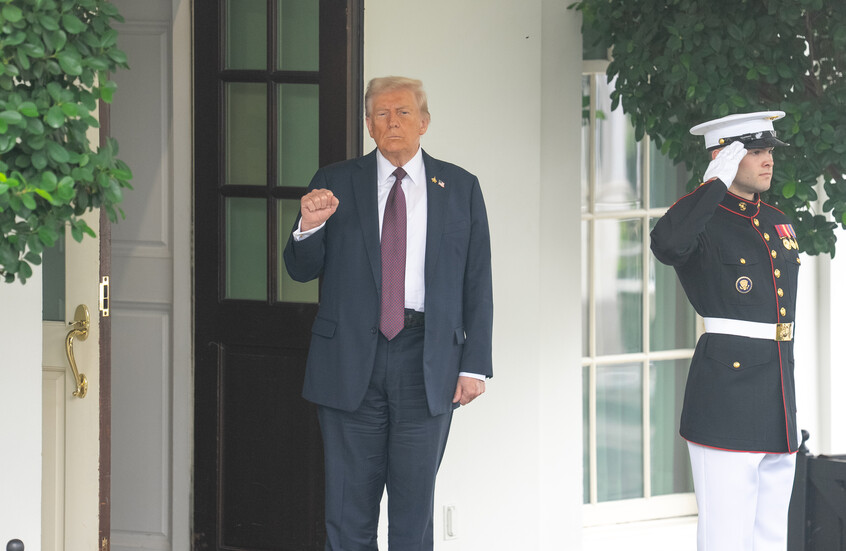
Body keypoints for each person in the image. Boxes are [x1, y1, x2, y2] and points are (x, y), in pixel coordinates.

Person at [283, 76, 493, 551]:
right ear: (369, 125)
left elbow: (477, 280)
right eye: (382, 113)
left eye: (403, 112)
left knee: (412, 519)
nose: (392, 121)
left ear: (424, 122)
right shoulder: (334, 182)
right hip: (349, 361)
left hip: (428, 361)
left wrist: (475, 365)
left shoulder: (459, 187)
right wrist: (308, 227)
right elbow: (300, 269)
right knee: (347, 516)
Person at [651, 111, 799, 551]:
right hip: (727, 395)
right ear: (725, 158)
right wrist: (711, 187)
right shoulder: (702, 221)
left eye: (769, 150)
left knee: (770, 535)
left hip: (778, 392)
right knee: (726, 537)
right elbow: (666, 244)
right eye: (755, 152)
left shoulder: (775, 220)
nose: (768, 160)